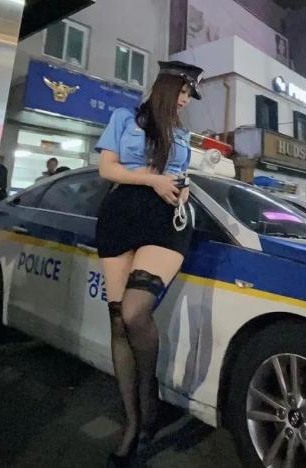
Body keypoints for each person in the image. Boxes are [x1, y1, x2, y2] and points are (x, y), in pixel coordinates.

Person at [95, 60, 203, 467]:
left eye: (189, 95)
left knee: (135, 312)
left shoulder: (183, 134)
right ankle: (133, 422)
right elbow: (107, 168)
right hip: (120, 216)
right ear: (167, 86)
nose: (185, 100)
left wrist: (181, 189)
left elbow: (179, 177)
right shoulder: (124, 118)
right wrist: (152, 178)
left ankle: (149, 395)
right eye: (183, 91)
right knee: (118, 321)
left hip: (164, 221)